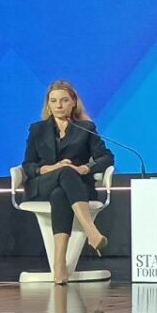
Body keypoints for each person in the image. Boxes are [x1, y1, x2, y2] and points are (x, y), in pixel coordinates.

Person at [21, 80, 114, 284]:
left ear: (73, 103)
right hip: (42, 185)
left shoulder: (86, 128)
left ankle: (59, 265)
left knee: (60, 193)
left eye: (64, 100)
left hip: (76, 187)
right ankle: (91, 231)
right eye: (53, 101)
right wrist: (52, 168)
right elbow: (28, 165)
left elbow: (106, 157)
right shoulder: (37, 129)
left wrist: (85, 168)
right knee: (64, 171)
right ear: (48, 104)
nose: (59, 105)